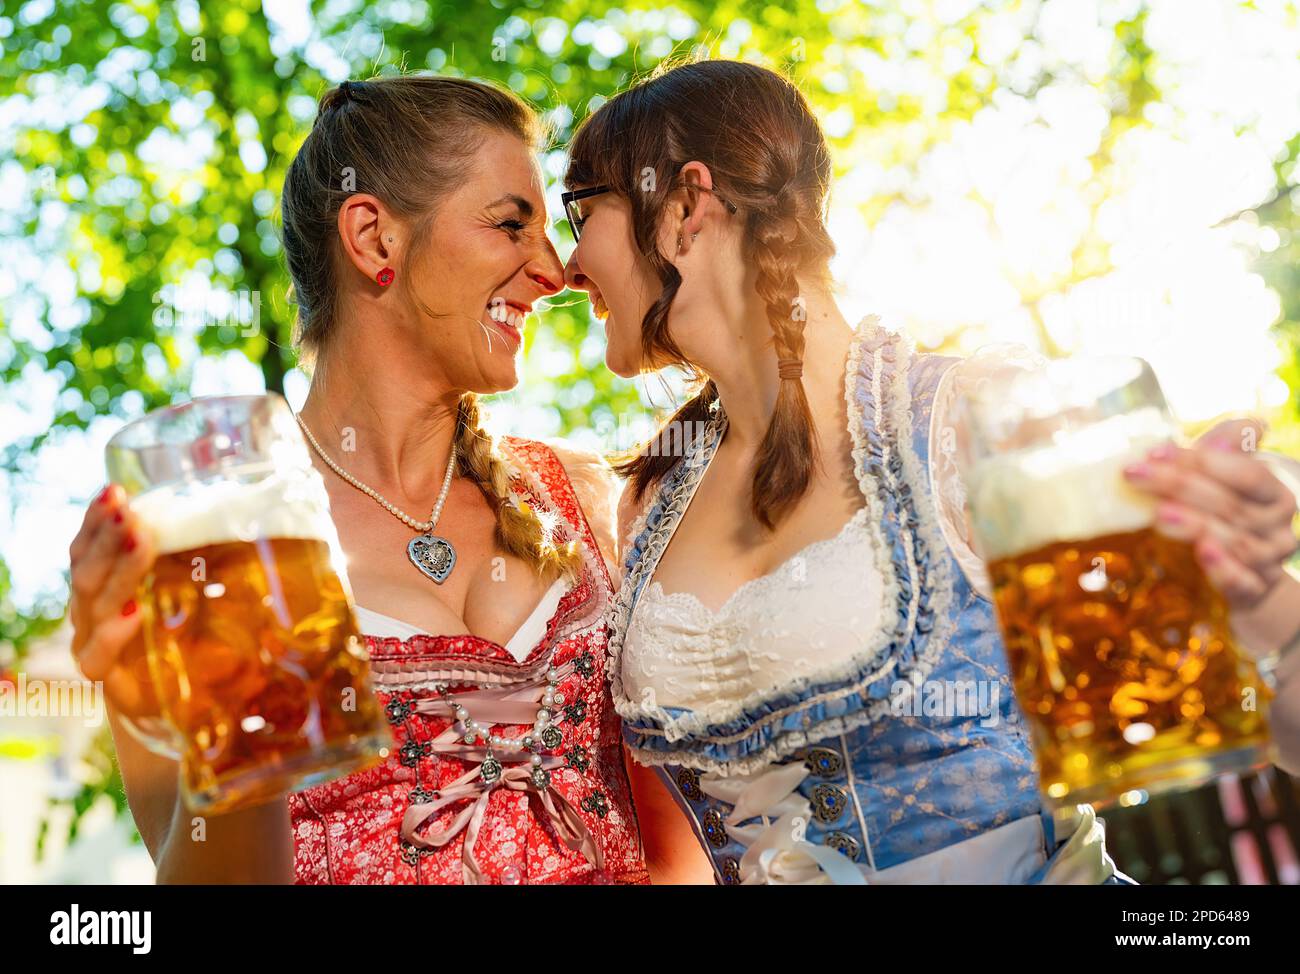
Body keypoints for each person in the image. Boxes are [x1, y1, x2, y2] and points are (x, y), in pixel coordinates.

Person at [561, 58, 1300, 884]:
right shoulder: (650, 499)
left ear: (687, 206)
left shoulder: (974, 421)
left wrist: (1258, 604)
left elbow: (1228, 711)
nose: (565, 264)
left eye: (582, 212)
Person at [69, 76, 648, 885]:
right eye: (512, 225)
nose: (554, 272)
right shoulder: (208, 552)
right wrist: (237, 712)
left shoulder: (588, 496)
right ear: (374, 238)